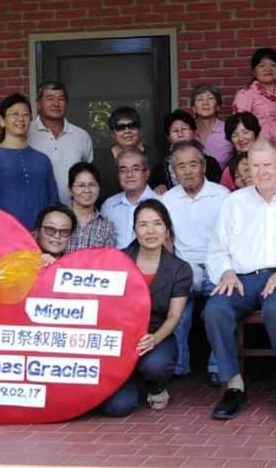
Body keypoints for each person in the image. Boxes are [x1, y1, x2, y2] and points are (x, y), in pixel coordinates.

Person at [204, 138, 276, 421]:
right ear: (246, 170)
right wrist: (227, 272)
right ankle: (234, 385)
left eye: (267, 164)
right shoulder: (234, 202)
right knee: (215, 310)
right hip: (243, 278)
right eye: (255, 166)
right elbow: (218, 249)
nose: (262, 171)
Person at [101, 199, 191, 416]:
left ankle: (156, 386)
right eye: (143, 225)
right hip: (119, 339)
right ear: (134, 230)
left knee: (156, 365)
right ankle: (129, 381)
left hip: (155, 335)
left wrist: (154, 339)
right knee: (117, 408)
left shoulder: (180, 269)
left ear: (167, 230)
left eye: (157, 223)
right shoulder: (117, 260)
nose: (150, 231)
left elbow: (174, 316)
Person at [161, 140, 230, 379]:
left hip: (216, 266)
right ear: (174, 171)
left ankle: (217, 367)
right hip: (183, 267)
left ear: (203, 167)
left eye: (193, 164)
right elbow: (166, 240)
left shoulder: (222, 196)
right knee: (177, 315)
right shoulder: (167, 200)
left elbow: (230, 237)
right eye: (181, 166)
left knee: (220, 310)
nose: (188, 170)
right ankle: (178, 367)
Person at [0, 93, 59, 231]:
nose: (20, 119)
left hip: (41, 237)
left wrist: (44, 231)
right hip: (5, 237)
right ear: (2, 121)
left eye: (25, 115)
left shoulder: (42, 159)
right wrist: (14, 233)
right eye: (14, 114)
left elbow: (53, 200)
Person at [27, 80, 94, 205]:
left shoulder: (81, 136)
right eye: (50, 98)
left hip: (75, 212)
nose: (56, 104)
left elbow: (89, 176)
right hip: (36, 211)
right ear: (38, 104)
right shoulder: (26, 134)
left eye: (61, 99)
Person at [219, 112, 276, 190]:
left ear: (256, 133)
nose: (241, 138)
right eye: (235, 135)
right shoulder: (230, 170)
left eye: (245, 132)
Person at [232, 47, 276, 149]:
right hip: (258, 154)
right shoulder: (245, 94)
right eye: (262, 65)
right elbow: (239, 129)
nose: (268, 69)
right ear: (254, 72)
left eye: (273, 65)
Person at [150, 109, 222, 194]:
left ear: (194, 132)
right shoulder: (160, 169)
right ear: (168, 137)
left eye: (184, 129)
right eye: (175, 131)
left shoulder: (210, 163)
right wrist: (158, 188)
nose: (180, 134)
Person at [95, 106, 158, 203]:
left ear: (139, 130)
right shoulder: (99, 163)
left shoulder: (154, 156)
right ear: (112, 133)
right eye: (121, 127)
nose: (127, 131)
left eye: (132, 126)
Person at [101, 150, 159, 249]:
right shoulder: (109, 205)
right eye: (123, 170)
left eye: (135, 169)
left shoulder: (161, 203)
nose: (129, 175)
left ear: (146, 173)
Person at [66, 162, 116, 251]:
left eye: (92, 185)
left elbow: (108, 261)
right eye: (81, 185)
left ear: (99, 188)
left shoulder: (106, 227)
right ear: (70, 190)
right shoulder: (59, 219)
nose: (87, 190)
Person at [191, 83, 233, 169]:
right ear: (194, 108)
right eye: (200, 99)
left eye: (210, 98)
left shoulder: (228, 129)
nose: (205, 103)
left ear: (218, 107)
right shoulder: (188, 132)